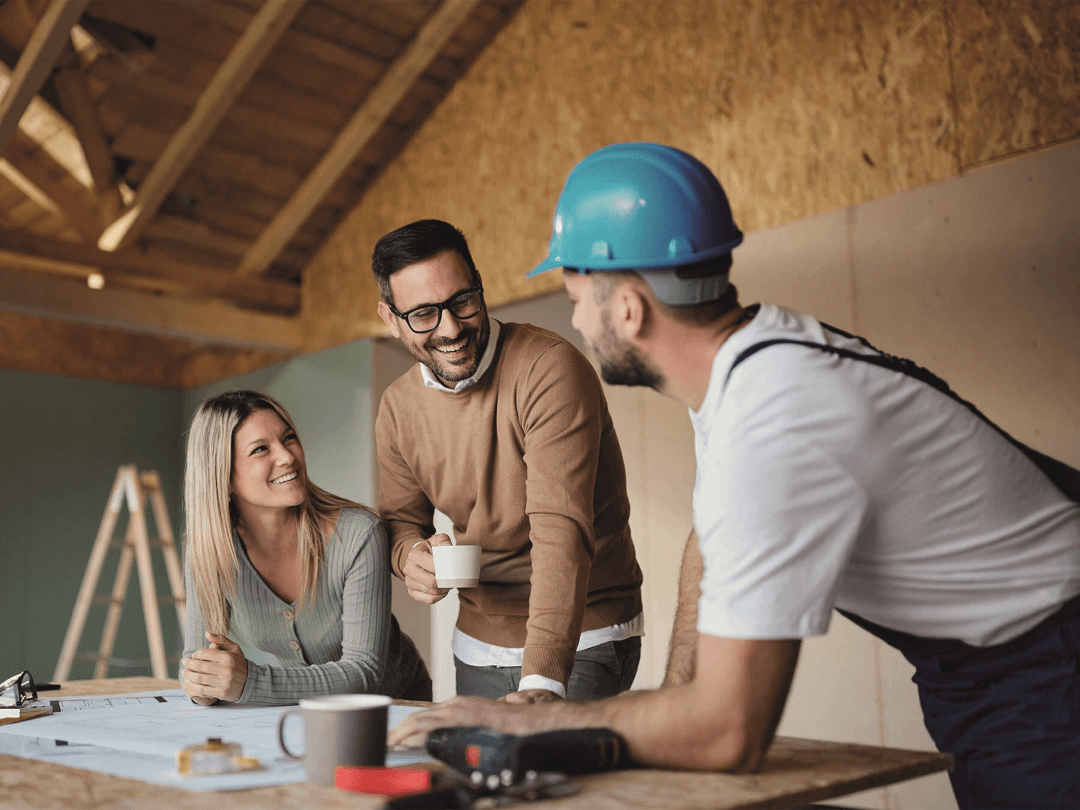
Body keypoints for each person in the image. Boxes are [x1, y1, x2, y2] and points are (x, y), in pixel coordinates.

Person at [389, 143, 1080, 810]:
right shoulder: (747, 365)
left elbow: (729, 730)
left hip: (1046, 658)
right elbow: (708, 541)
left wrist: (534, 720)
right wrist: (673, 695)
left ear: (627, 309)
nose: (572, 317)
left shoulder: (774, 419)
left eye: (574, 295)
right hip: (985, 662)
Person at [372, 219, 644, 703]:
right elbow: (400, 522)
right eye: (424, 315)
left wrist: (541, 680)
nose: (451, 327)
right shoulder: (397, 407)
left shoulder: (547, 368)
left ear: (480, 285)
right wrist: (410, 558)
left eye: (462, 301)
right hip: (477, 645)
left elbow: (561, 531)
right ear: (391, 320)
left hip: (583, 636)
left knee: (555, 777)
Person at [180, 390, 430, 705]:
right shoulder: (208, 550)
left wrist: (248, 681)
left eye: (288, 439)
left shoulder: (359, 535)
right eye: (260, 449)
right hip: (306, 712)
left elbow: (364, 673)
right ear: (223, 476)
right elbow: (194, 661)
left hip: (396, 705)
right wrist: (207, 685)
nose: (287, 457)